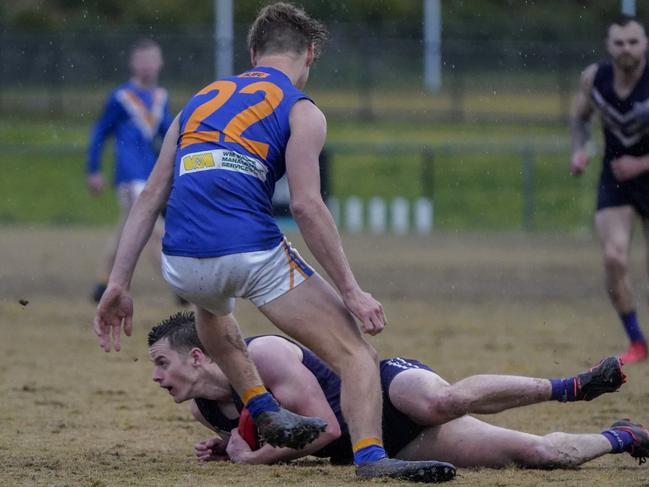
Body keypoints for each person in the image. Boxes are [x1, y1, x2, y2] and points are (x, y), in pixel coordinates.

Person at [93, 3, 454, 481]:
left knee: (214, 310)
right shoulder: (302, 110)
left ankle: (262, 408)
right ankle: (371, 459)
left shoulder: (196, 102)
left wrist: (119, 282)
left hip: (179, 261)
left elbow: (150, 198)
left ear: (252, 52)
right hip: (250, 252)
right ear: (309, 56)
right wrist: (352, 291)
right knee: (356, 356)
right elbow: (306, 206)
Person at [147, 311, 648, 470]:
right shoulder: (205, 410)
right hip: (391, 446)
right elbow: (274, 430)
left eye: (161, 363)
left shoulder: (269, 356)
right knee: (538, 454)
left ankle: (570, 386)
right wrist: (232, 441)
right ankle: (625, 437)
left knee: (442, 400)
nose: (156, 377)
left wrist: (246, 459)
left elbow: (325, 429)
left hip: (384, 391)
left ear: (198, 355)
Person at [570, 15, 649, 363]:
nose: (626, 49)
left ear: (645, 43)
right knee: (614, 257)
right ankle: (636, 343)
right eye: (619, 43)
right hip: (615, 178)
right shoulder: (595, 78)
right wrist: (579, 149)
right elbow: (579, 116)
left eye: (633, 42)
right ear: (608, 46)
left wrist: (641, 163)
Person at [87, 38, 173, 303]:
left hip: (149, 175)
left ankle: (103, 283)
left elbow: (170, 135)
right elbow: (100, 132)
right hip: (128, 176)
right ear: (133, 63)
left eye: (151, 59)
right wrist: (94, 169)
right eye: (142, 60)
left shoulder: (160, 98)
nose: (147, 65)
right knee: (153, 230)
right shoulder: (121, 97)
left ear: (160, 63)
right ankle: (179, 286)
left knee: (127, 229)